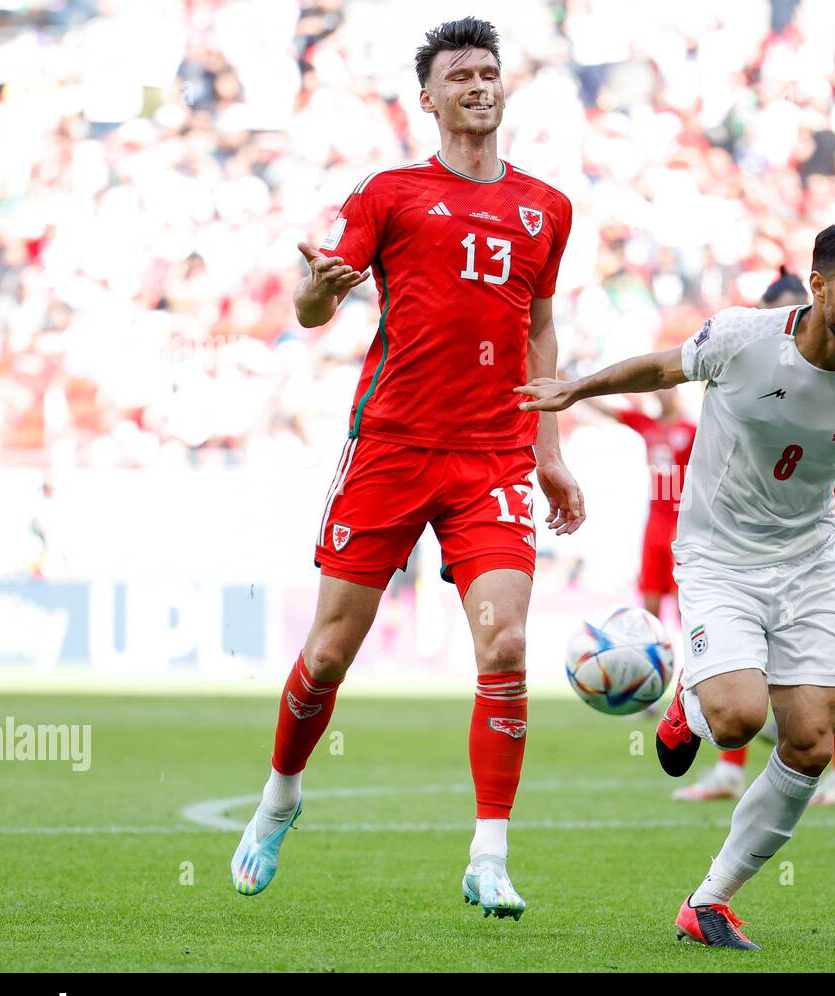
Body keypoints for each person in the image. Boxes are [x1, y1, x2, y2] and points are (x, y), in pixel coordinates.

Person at [230, 17, 585, 921]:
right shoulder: (388, 193)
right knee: (327, 653)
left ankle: (490, 854)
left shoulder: (546, 206)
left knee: (505, 645)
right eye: (459, 74)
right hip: (390, 445)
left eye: (489, 71)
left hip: (493, 456)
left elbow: (539, 326)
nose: (479, 84)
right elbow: (315, 308)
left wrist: (550, 453)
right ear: (427, 98)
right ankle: (280, 796)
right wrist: (317, 287)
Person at [518, 220, 835, 949]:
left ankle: (709, 901)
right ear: (818, 286)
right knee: (735, 717)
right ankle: (691, 703)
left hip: (809, 563)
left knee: (812, 741)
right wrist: (575, 389)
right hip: (720, 554)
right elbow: (664, 370)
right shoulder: (742, 340)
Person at [673, 269, 835, 806]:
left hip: (817, 540)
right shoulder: (757, 379)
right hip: (744, 543)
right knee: (757, 653)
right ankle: (735, 758)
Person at [584, 390, 696, 621]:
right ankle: (655, 654)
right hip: (655, 524)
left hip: (682, 526)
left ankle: (687, 656)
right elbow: (610, 411)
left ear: (677, 392)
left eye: (667, 389)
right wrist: (576, 389)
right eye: (658, 390)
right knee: (649, 603)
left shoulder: (692, 430)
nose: (661, 395)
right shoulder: (647, 425)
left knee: (683, 605)